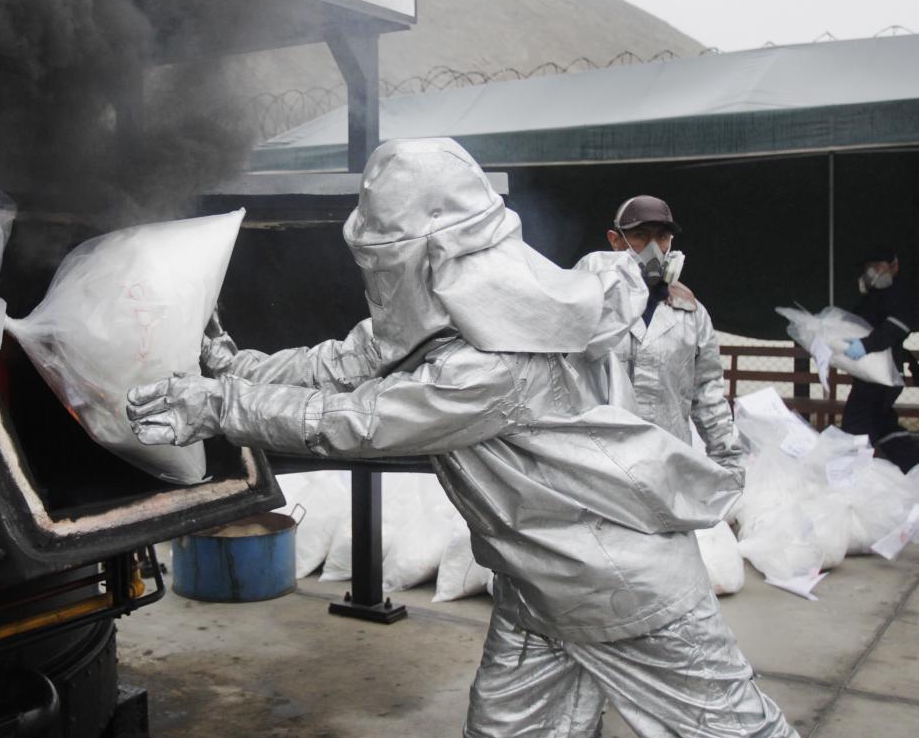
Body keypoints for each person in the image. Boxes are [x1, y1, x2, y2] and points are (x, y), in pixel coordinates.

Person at [127, 139, 797, 737]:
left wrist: (218, 404)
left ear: (435, 253)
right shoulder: (455, 317)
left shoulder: (493, 365)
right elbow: (337, 364)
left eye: (388, 258)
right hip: (538, 591)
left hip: (626, 594)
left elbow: (355, 421)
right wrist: (230, 364)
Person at [574, 196, 739, 469]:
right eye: (640, 235)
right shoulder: (589, 302)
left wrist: (729, 462)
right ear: (615, 241)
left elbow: (708, 393)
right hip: (601, 466)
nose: (654, 247)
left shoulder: (691, 313)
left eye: (662, 236)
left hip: (669, 466)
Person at [841, 246, 917, 472]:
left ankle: (852, 475)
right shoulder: (874, 297)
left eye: (877, 266)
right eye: (869, 268)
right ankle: (914, 465)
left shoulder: (900, 294)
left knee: (857, 423)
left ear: (894, 267)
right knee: (883, 425)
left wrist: (865, 345)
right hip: (873, 374)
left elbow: (896, 329)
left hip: (883, 376)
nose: (872, 272)